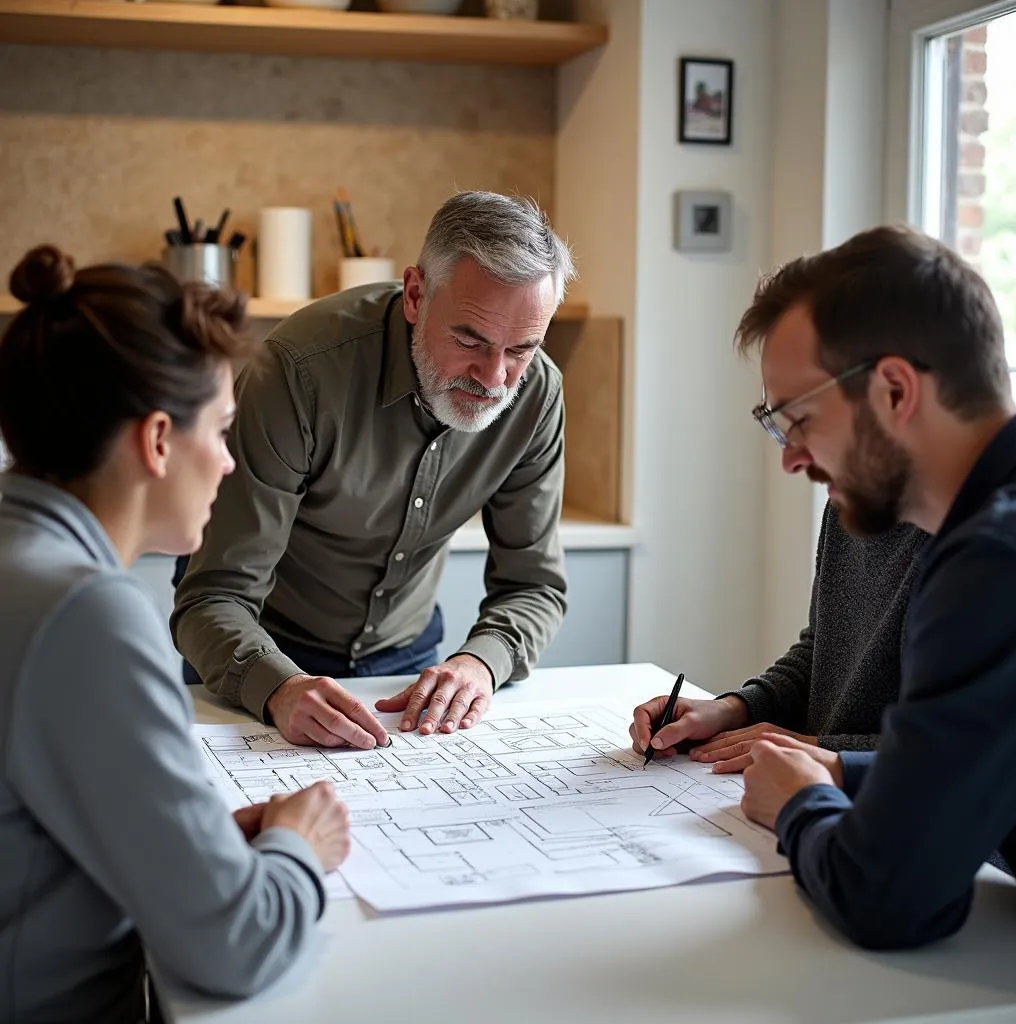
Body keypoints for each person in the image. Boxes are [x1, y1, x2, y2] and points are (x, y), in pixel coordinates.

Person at [0, 245, 350, 1022]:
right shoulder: (87, 612)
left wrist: (190, 845)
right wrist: (298, 845)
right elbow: (238, 945)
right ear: (158, 440)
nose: (228, 463)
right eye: (222, 431)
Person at [172, 191, 575, 750]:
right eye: (469, 340)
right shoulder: (299, 374)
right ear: (415, 294)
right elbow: (210, 598)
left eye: (522, 348)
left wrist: (480, 664)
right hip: (260, 657)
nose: (494, 378)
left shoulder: (537, 394)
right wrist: (277, 686)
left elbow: (533, 586)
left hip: (407, 661)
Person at [737, 225, 1016, 949]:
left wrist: (803, 802)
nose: (791, 459)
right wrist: (845, 769)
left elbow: (886, 897)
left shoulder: (995, 562)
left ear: (894, 389)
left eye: (799, 419)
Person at [630, 502, 927, 774]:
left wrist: (815, 749)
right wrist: (733, 710)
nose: (792, 462)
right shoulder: (846, 503)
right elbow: (820, 650)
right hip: (811, 786)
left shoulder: (960, 541)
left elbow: (953, 752)